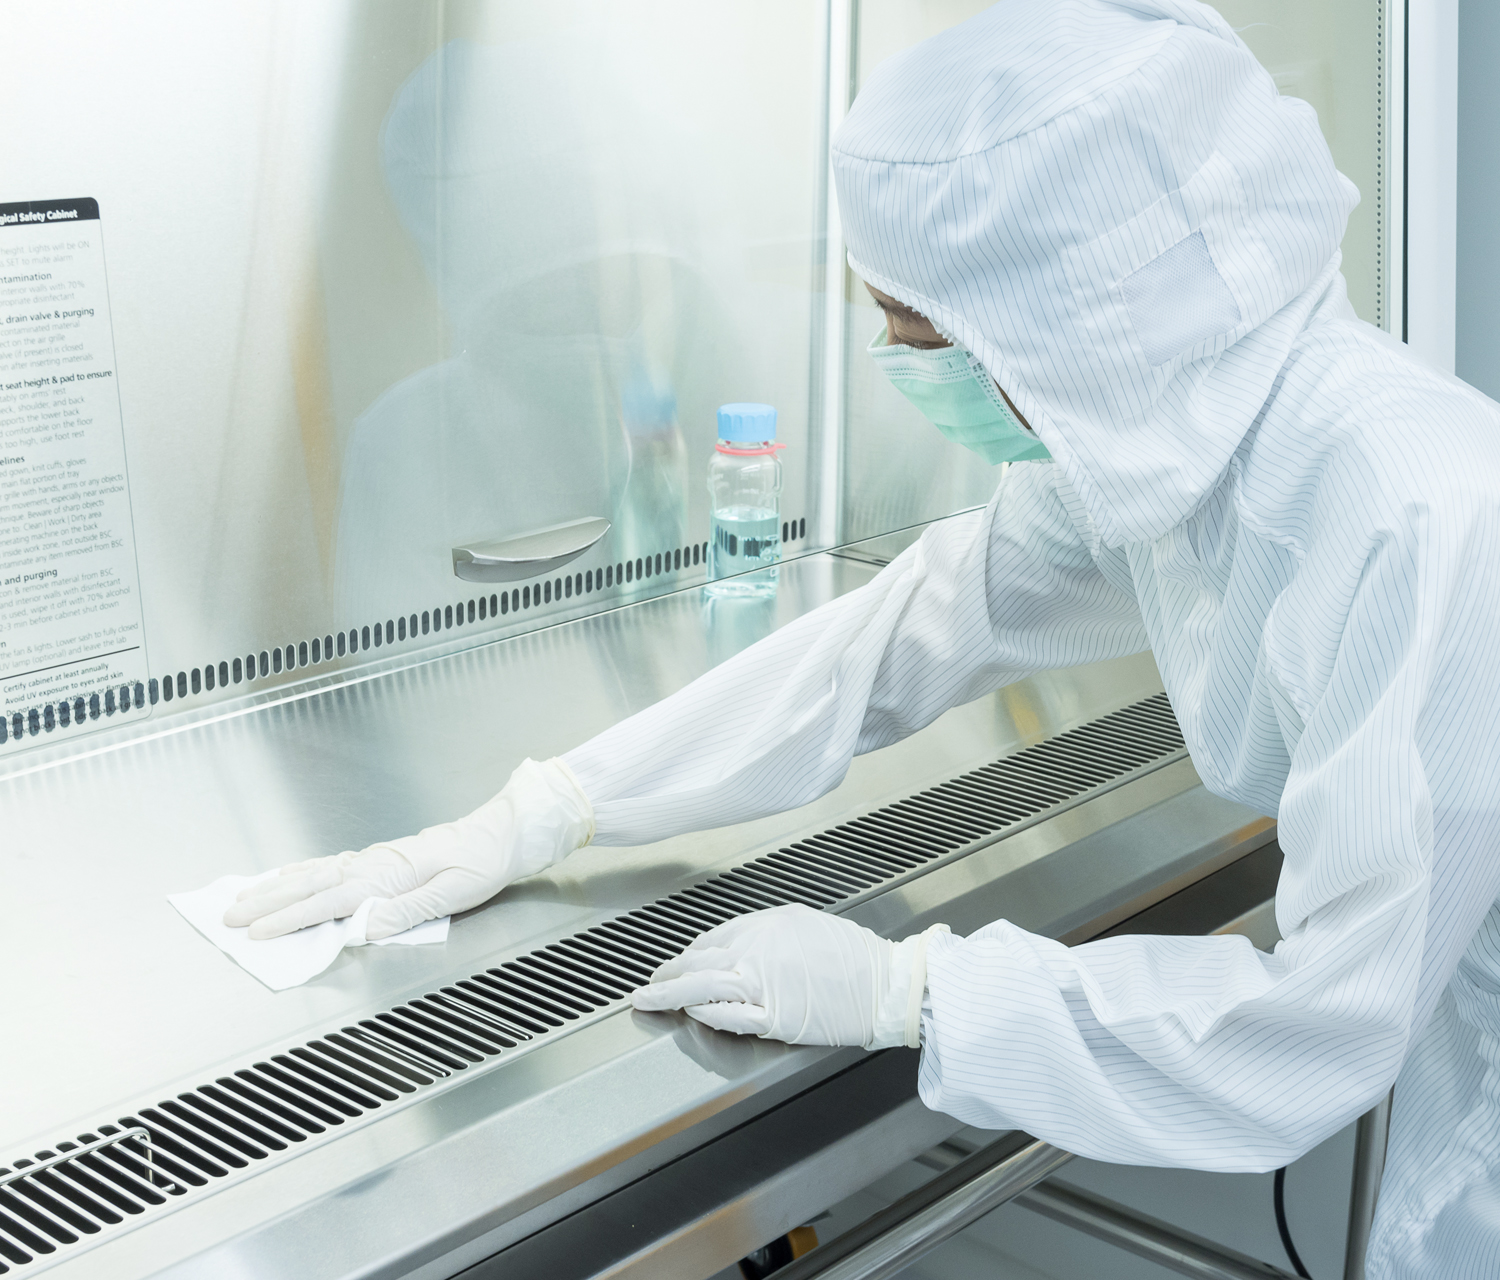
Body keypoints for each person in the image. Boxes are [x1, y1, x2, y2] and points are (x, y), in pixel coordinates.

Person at [226, 1, 1500, 1273]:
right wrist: (555, 805)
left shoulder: (1419, 512)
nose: (891, 352)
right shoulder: (1181, 455)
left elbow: (1316, 1033)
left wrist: (915, 992)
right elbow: (900, 633)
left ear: (1074, 315)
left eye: (914, 322)